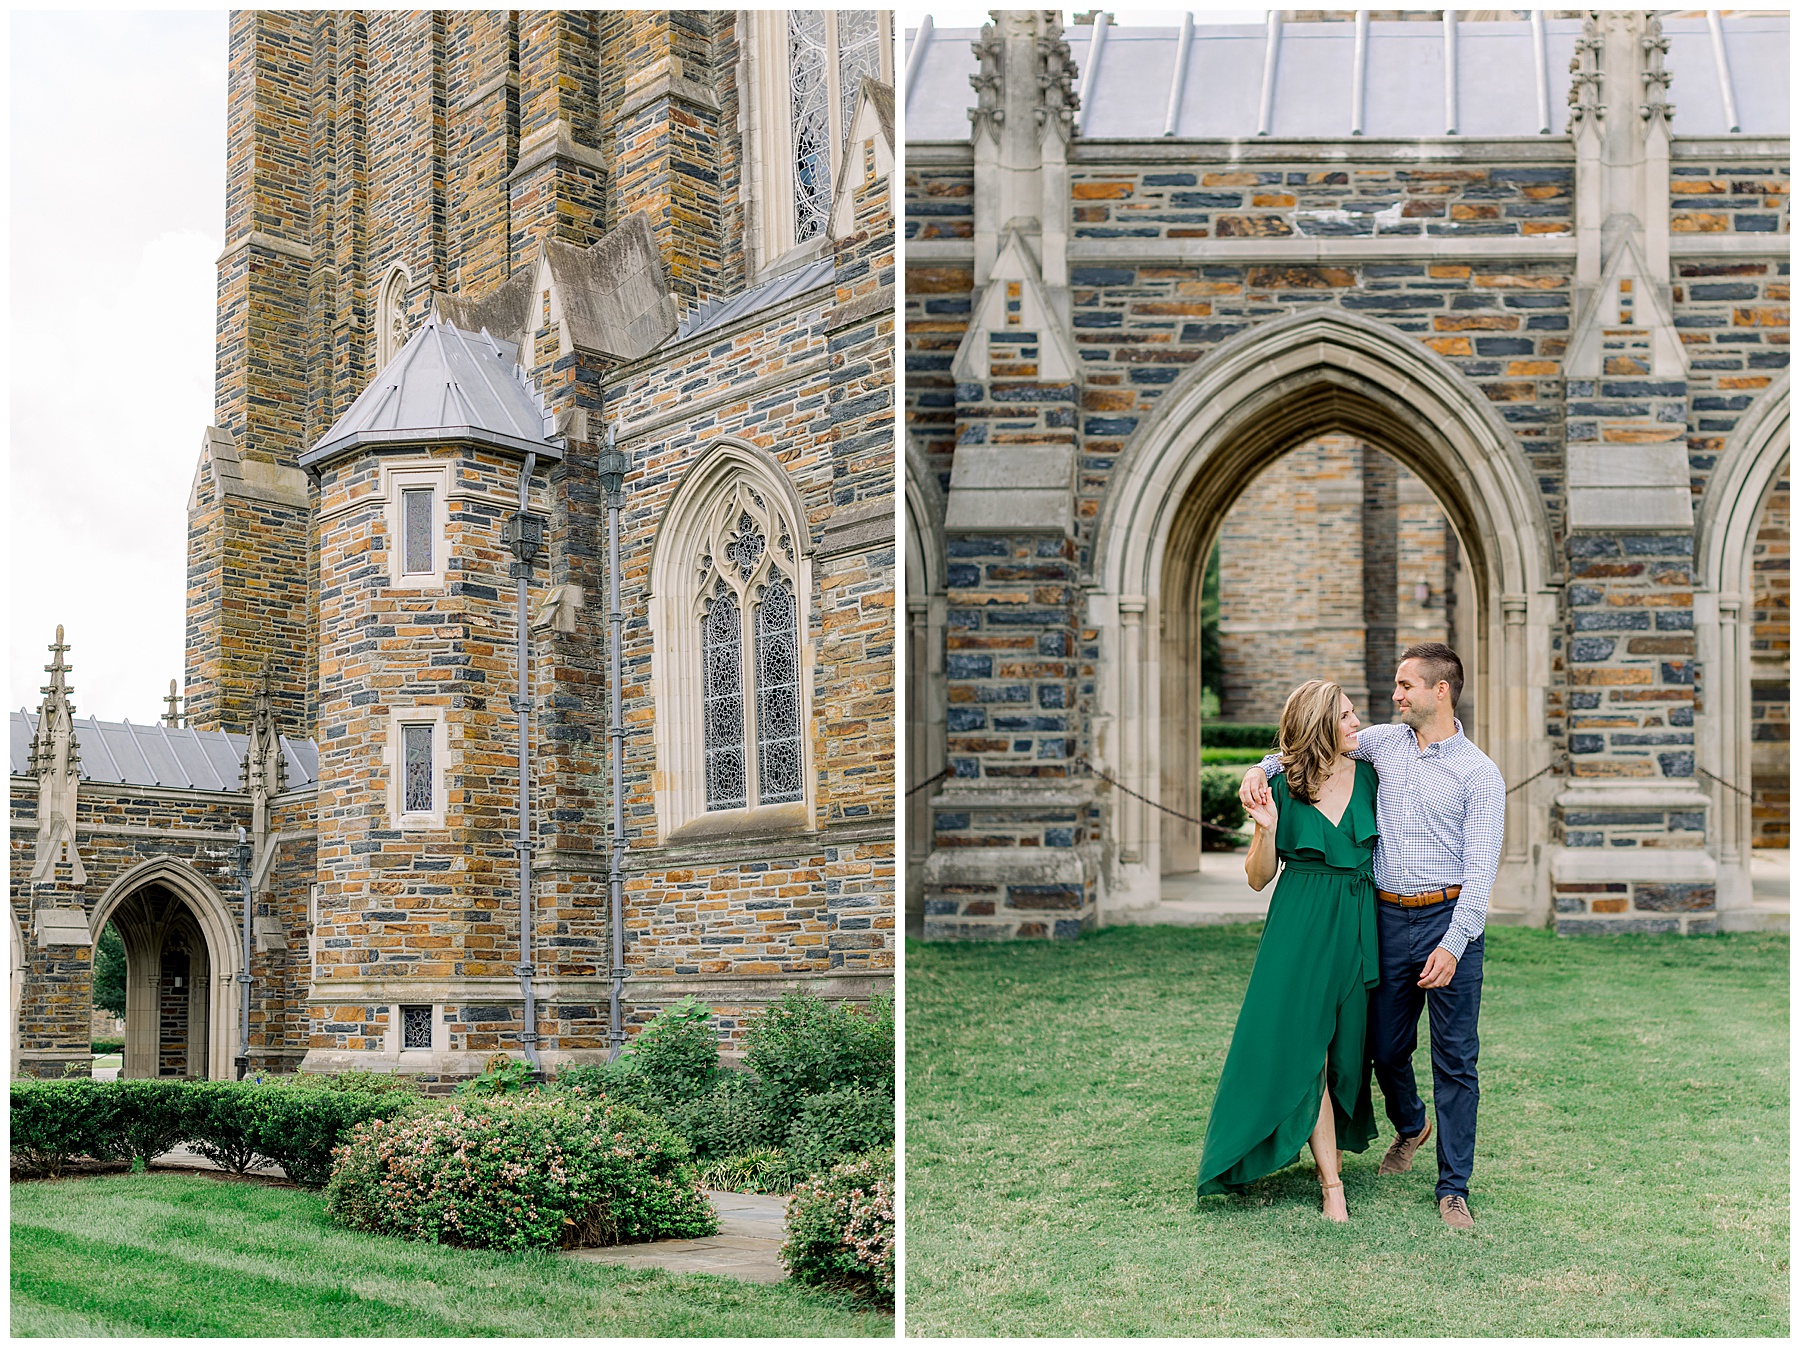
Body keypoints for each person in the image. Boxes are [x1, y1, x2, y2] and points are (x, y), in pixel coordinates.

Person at [1239, 643, 1505, 1231]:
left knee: (1457, 1059)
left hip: (1449, 920)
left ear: (1441, 691)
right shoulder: (1382, 743)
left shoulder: (1480, 774)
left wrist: (1454, 942)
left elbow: (1483, 871)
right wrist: (1258, 770)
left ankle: (1452, 1188)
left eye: (1406, 685)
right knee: (1383, 1047)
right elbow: (1302, 746)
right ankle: (1411, 1122)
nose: (1395, 695)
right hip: (1383, 918)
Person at [1195, 680, 1379, 1223]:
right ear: (1323, 725)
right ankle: (1332, 1186)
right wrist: (1264, 829)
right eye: (1346, 717)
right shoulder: (1281, 786)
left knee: (1347, 1052)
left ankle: (1336, 1150)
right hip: (1299, 924)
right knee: (1307, 1050)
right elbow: (1257, 879)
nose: (1357, 725)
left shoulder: (1373, 772)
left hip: (1359, 918)